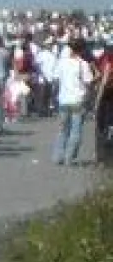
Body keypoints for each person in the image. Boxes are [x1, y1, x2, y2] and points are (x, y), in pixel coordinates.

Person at [51, 36, 94, 166]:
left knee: (63, 129)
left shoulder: (62, 62)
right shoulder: (83, 64)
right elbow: (88, 81)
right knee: (75, 131)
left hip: (63, 99)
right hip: (77, 100)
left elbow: (56, 78)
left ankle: (58, 156)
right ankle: (69, 157)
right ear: (82, 50)